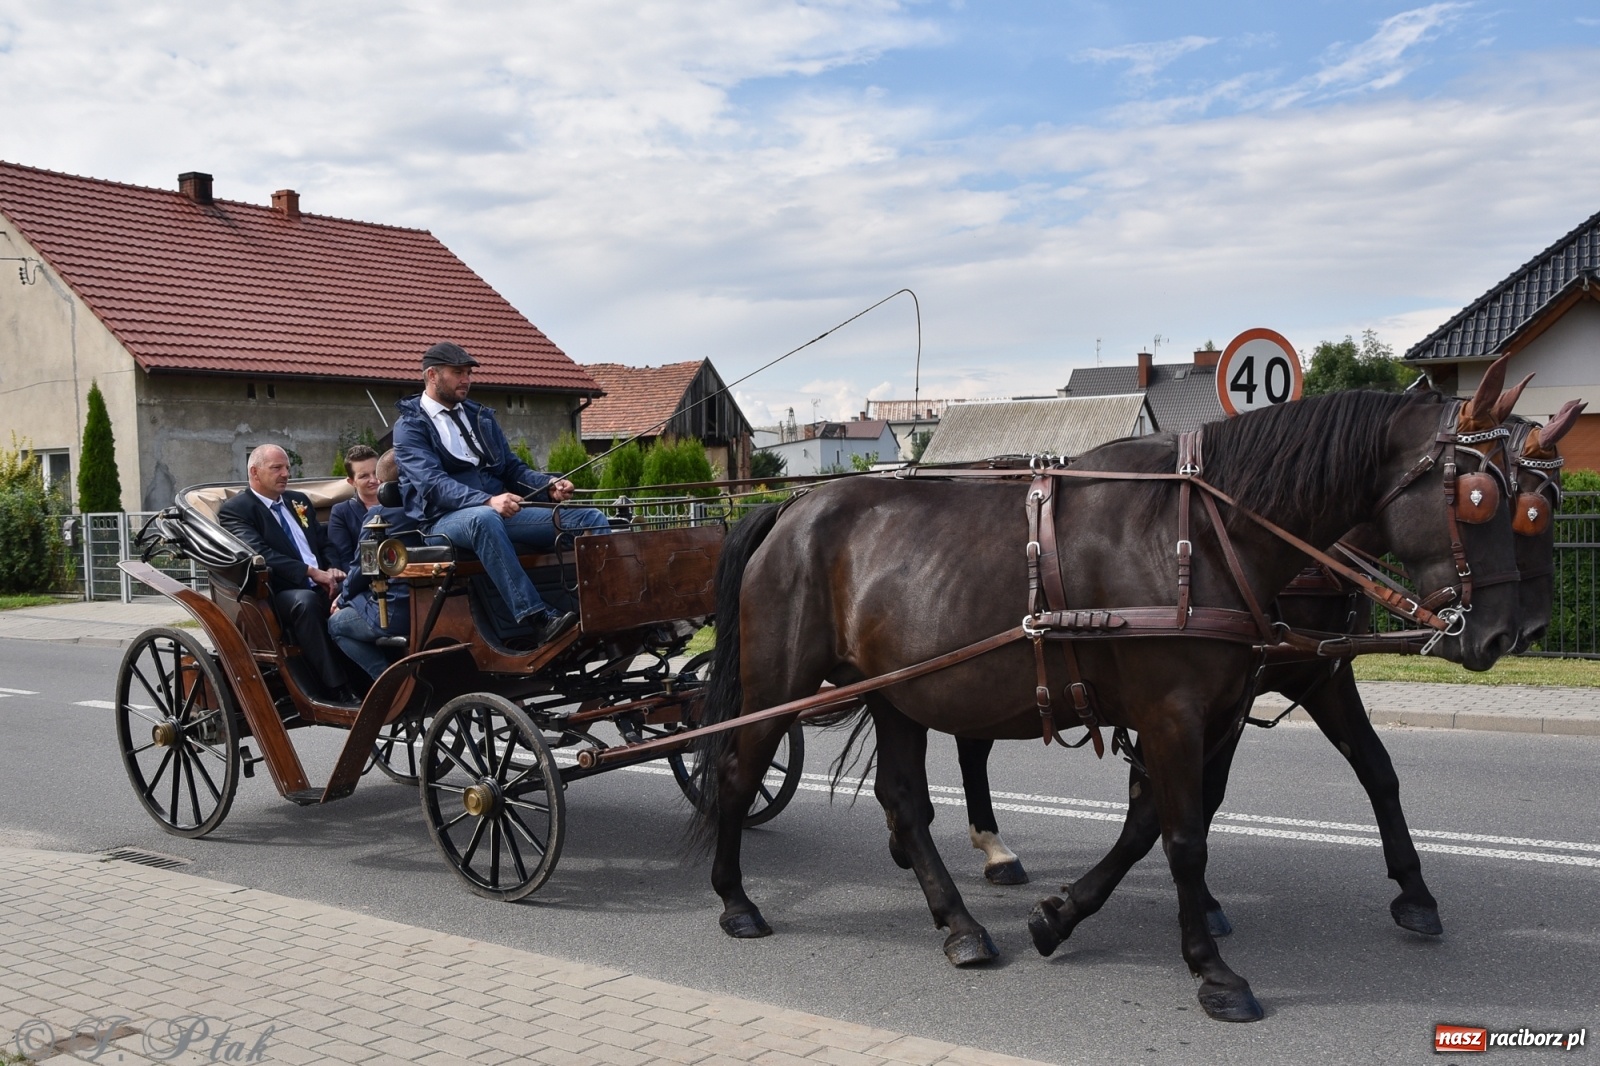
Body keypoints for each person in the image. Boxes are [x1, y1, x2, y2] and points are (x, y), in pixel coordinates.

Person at [393, 341, 610, 646]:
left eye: (468, 372)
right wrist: (485, 500)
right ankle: (536, 617)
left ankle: (606, 604)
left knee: (589, 518)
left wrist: (548, 485)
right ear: (432, 375)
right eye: (458, 372)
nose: (466, 379)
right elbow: (431, 483)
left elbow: (511, 469)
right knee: (483, 519)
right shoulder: (410, 426)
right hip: (443, 520)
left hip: (497, 512)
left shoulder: (479, 416)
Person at [218, 444, 354, 700]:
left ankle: (372, 675)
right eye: (276, 468)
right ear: (255, 473)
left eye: (287, 468)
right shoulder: (237, 510)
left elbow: (324, 542)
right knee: (307, 602)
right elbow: (259, 553)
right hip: (277, 591)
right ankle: (338, 688)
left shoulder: (298, 501)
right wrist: (311, 573)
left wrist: (333, 569)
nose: (285, 474)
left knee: (362, 593)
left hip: (324, 580)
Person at [329, 450, 414, 680]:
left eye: (375, 475)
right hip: (438, 605)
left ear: (385, 486)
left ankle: (389, 682)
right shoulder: (430, 508)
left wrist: (343, 599)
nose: (372, 481)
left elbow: (363, 568)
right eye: (363, 475)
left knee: (335, 624)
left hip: (396, 609)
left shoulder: (379, 517)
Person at [327, 443, 380, 570]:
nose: (373, 480)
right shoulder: (341, 512)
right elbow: (345, 560)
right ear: (352, 482)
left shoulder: (401, 504)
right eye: (364, 476)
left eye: (376, 472)